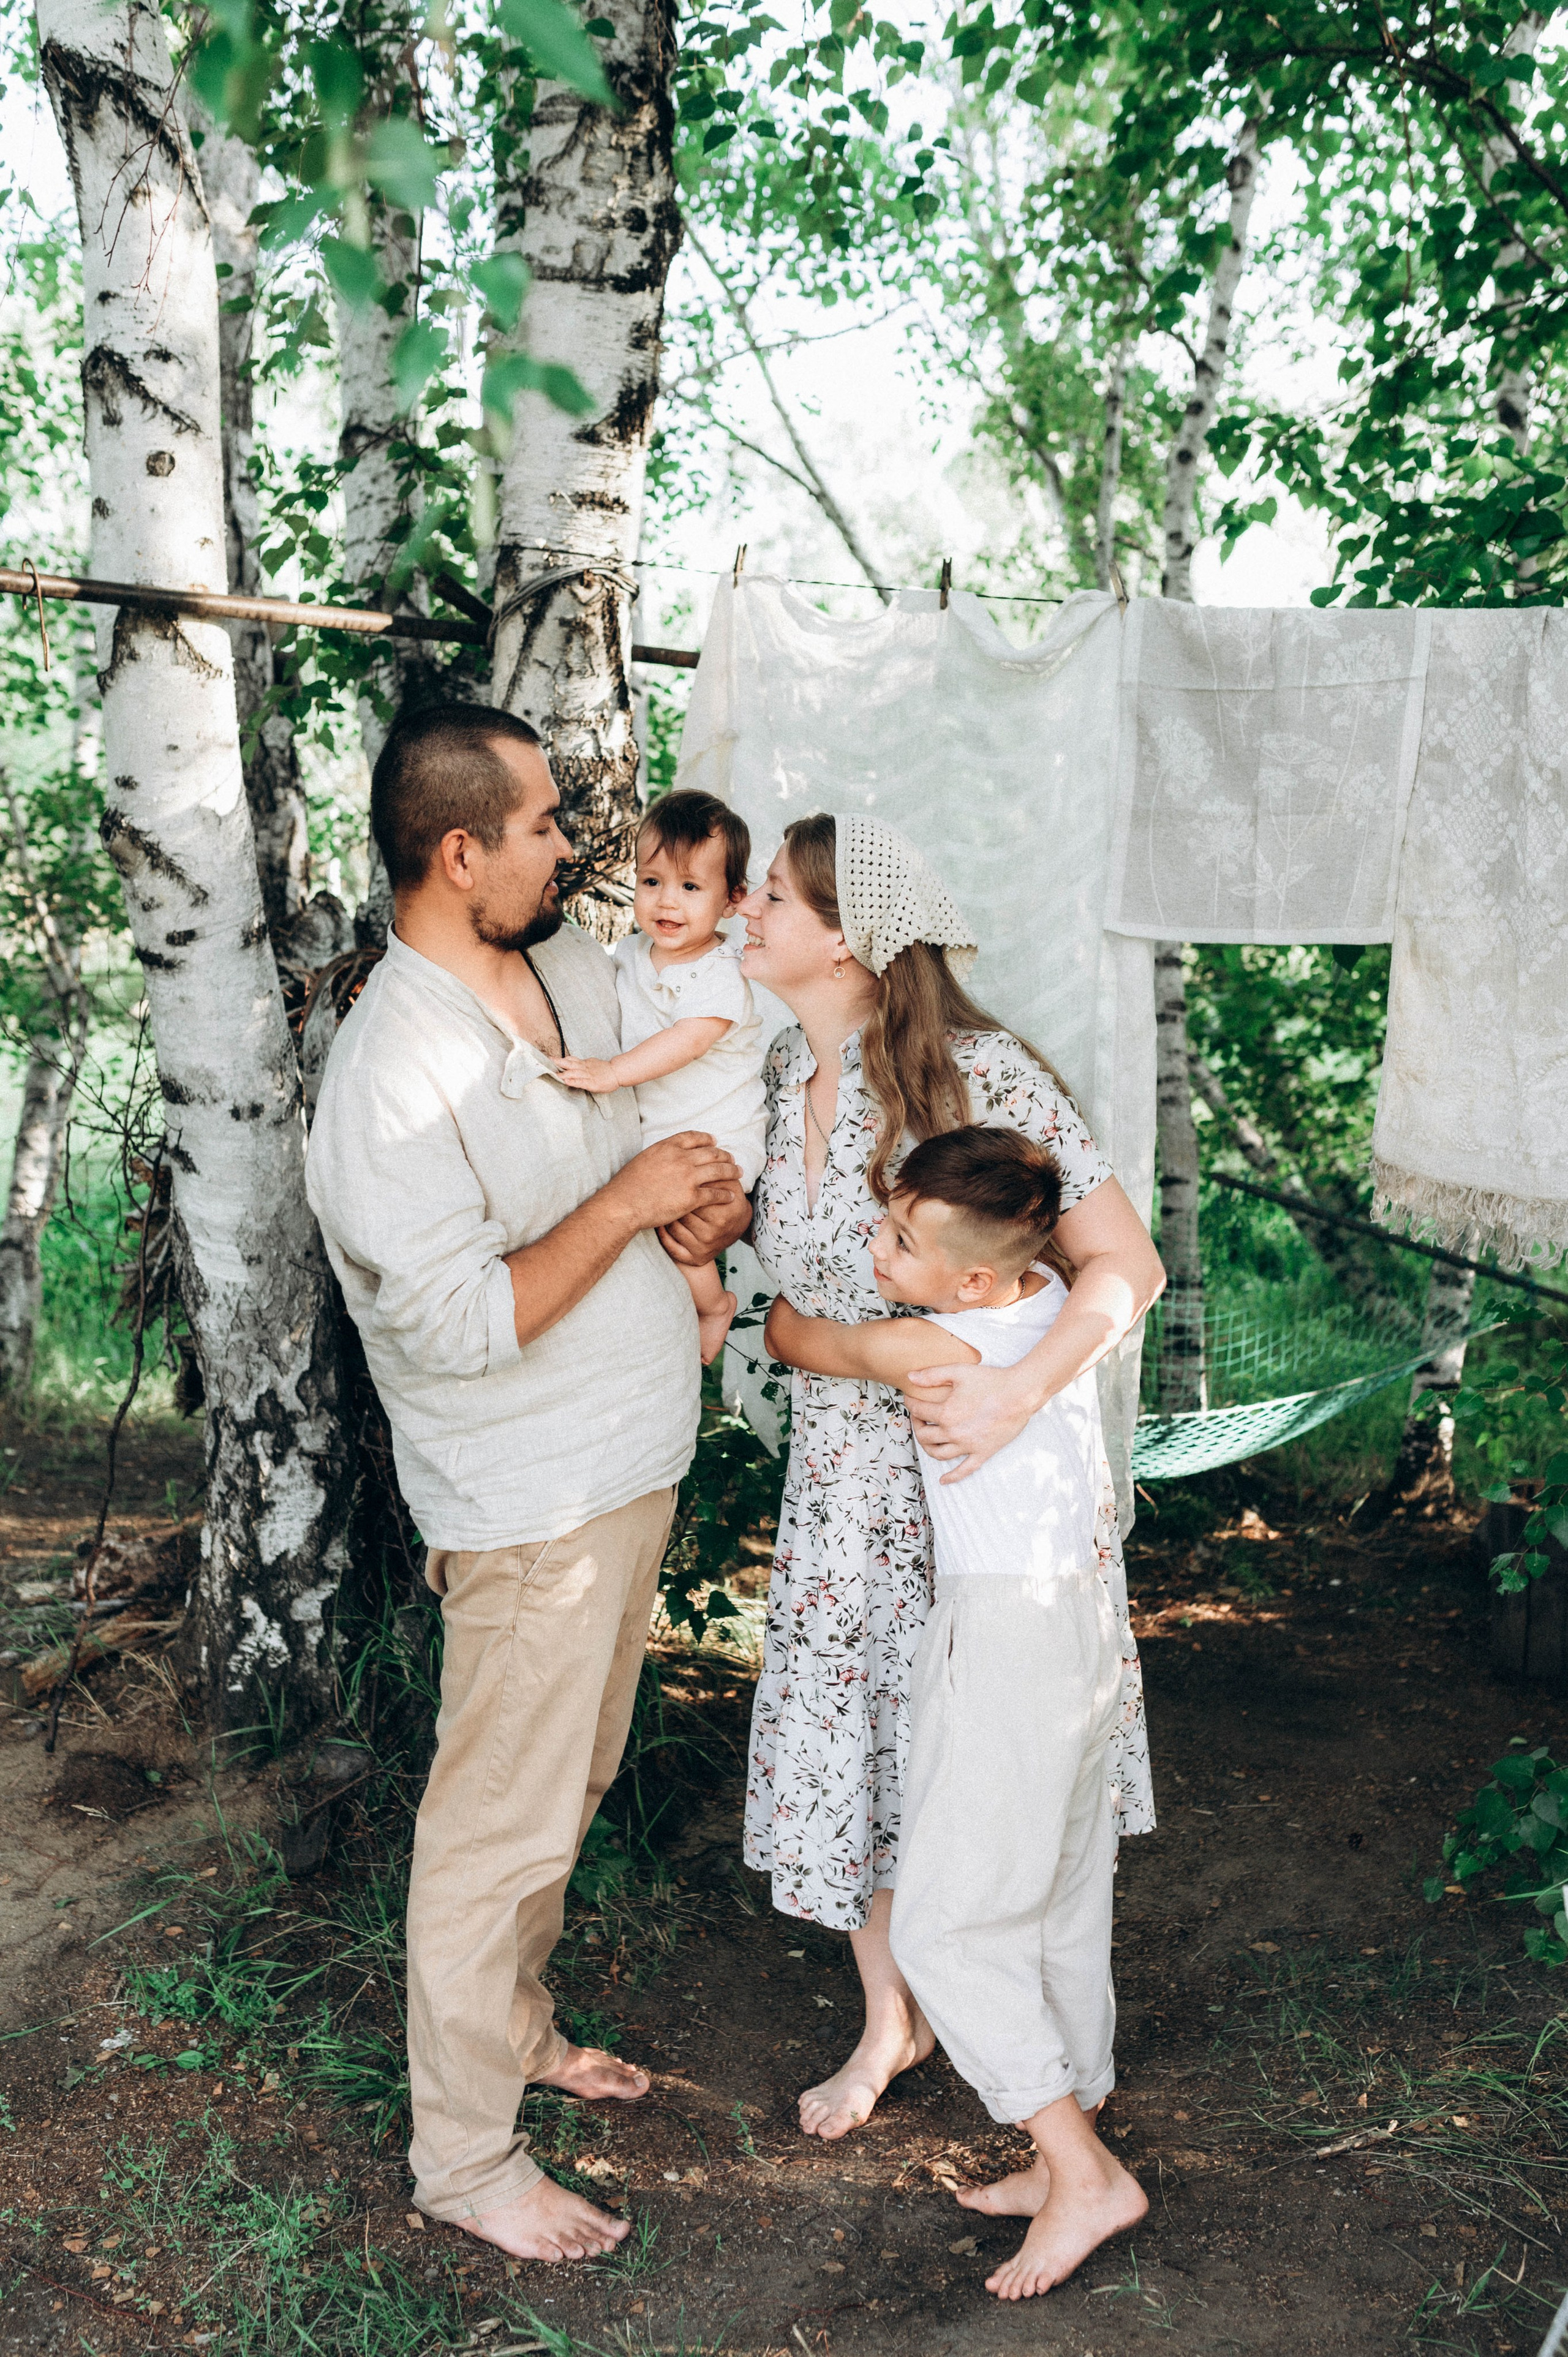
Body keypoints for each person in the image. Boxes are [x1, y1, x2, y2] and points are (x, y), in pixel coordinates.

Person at [304, 704, 748, 2265]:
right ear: (459, 848)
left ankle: (515, 2026)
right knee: (495, 1823)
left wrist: (693, 1199)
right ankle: (466, 2156)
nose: (575, 846)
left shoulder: (554, 970)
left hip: (627, 1465)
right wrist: (630, 1199)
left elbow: (641, 1120)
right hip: (529, 1506)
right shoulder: (389, 1072)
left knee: (561, 1789)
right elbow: (461, 1321)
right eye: (548, 824)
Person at [739, 810, 1163, 2141]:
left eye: (772, 896)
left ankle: (1036, 2057)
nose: (745, 909)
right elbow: (790, 1312)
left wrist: (1012, 1388)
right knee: (853, 1742)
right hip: (836, 1486)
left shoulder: (983, 1074)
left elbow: (1124, 1267)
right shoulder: (767, 1076)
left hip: (973, 1475)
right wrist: (852, 1341)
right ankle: (893, 2016)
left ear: (850, 939)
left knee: (978, 1756)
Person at [765, 1125, 1148, 2299]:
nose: (876, 1251)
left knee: (943, 1926)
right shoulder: (1052, 1302)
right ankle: (1067, 2123)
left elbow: (798, 1334)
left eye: (899, 1240)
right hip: (1084, 1621)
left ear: (973, 1280)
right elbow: (1110, 1271)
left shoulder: (944, 1338)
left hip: (1006, 1636)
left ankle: (1084, 2172)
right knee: (1058, 1887)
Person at [554, 789, 766, 1364]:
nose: (667, 902)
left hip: (716, 1136)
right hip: (661, 1130)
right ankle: (687, 1312)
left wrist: (614, 1073)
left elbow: (687, 1040)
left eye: (691, 887)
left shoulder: (722, 974)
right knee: (648, 1226)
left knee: (682, 1236)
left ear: (732, 900)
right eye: (652, 882)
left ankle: (713, 1304)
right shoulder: (630, 952)